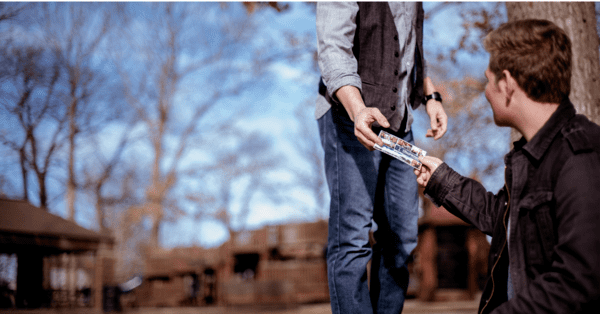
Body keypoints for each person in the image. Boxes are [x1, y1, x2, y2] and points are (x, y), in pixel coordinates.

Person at [414, 19, 600, 313]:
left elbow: (578, 280)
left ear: (507, 84)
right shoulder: (533, 157)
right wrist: (440, 178)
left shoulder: (581, 157)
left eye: (489, 80)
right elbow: (501, 217)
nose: (487, 91)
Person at [316, 2, 447, 314]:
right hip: (350, 118)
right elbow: (333, 49)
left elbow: (408, 48)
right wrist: (358, 108)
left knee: (402, 238)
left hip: (399, 125)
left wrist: (429, 96)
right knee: (352, 238)